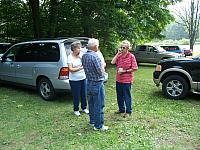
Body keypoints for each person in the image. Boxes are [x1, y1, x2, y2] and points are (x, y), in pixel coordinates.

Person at [82, 38, 108, 131]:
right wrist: (104, 71)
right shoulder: (95, 56)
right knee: (99, 104)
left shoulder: (84, 55)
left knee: (91, 103)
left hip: (88, 82)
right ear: (95, 46)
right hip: (97, 83)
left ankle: (92, 120)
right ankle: (99, 126)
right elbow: (100, 72)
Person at [111, 40, 138, 117]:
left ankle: (128, 111)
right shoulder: (119, 56)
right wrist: (117, 54)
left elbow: (135, 68)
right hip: (118, 79)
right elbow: (112, 62)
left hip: (127, 80)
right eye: (121, 47)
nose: (122, 49)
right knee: (119, 95)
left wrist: (125, 71)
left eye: (123, 48)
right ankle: (121, 109)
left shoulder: (131, 56)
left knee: (127, 95)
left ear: (128, 48)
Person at [68, 41, 89, 116]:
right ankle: (76, 109)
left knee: (84, 94)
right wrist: (81, 68)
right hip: (74, 80)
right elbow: (71, 69)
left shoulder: (81, 55)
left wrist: (81, 58)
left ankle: (84, 108)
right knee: (76, 95)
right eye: (78, 48)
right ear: (74, 49)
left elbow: (85, 63)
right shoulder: (70, 57)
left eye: (80, 48)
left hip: (83, 78)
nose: (80, 49)